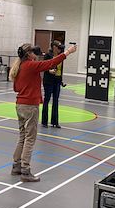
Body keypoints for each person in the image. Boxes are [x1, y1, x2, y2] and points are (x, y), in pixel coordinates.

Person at [10, 42, 77, 182]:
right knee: (30, 138)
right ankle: (26, 171)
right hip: (30, 106)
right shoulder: (30, 66)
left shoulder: (19, 67)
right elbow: (52, 62)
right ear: (29, 54)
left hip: (20, 105)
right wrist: (68, 53)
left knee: (22, 136)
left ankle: (16, 166)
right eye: (34, 52)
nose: (36, 54)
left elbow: (16, 88)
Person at [41, 40, 65, 128]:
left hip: (57, 81)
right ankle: (44, 121)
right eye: (58, 48)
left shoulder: (61, 56)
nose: (60, 50)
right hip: (48, 81)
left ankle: (55, 122)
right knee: (46, 100)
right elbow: (44, 66)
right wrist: (49, 70)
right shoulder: (48, 55)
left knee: (55, 101)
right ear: (54, 47)